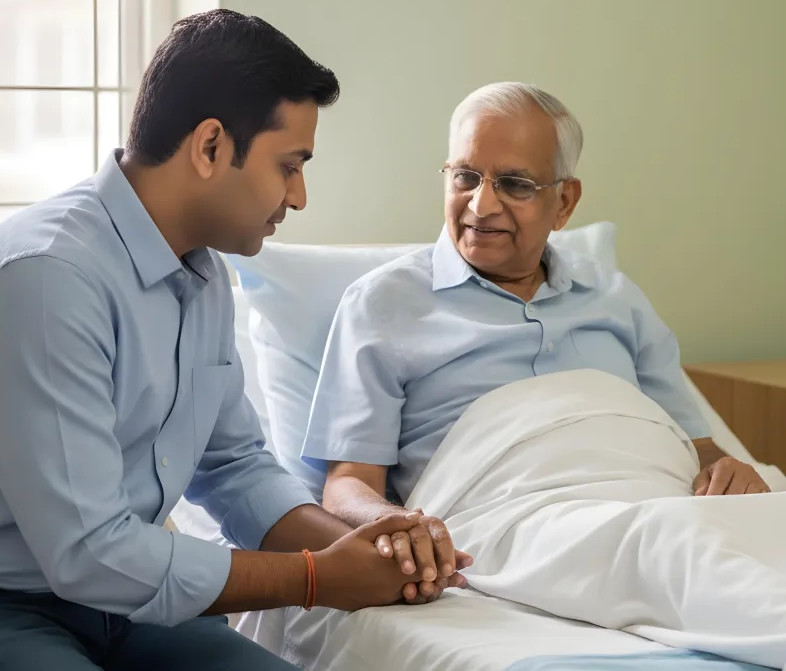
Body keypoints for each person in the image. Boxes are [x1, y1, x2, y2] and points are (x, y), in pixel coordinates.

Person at [0, 9, 429, 671]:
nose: (300, 195)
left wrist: (371, 545)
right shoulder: (44, 278)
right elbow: (91, 552)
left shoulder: (202, 278)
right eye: (289, 165)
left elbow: (235, 468)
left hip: (112, 605)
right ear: (209, 147)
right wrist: (316, 576)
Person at [301, 81, 770, 604]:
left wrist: (731, 471)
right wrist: (398, 523)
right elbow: (346, 485)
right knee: (685, 560)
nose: (481, 204)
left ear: (564, 202)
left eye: (515, 184)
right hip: (510, 521)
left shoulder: (616, 298)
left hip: (657, 497)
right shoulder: (382, 304)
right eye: (465, 177)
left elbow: (702, 451)